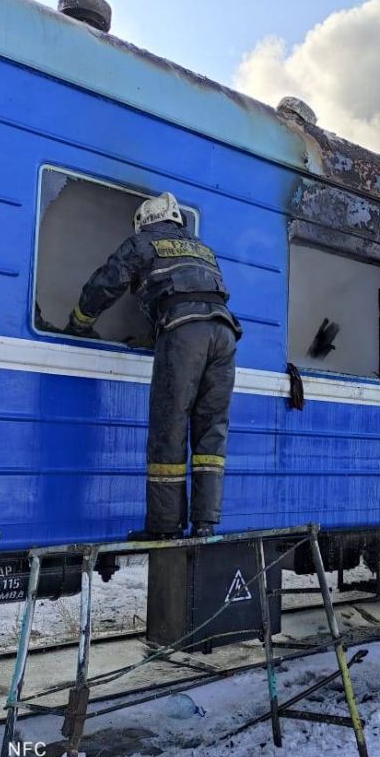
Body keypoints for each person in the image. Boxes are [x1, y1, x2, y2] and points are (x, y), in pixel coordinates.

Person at [64, 192, 242, 539]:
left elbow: (105, 284)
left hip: (185, 333)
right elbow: (194, 295)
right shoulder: (202, 249)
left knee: (170, 425)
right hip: (225, 335)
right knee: (211, 432)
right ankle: (205, 524)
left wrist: (79, 322)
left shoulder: (142, 244)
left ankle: (163, 527)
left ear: (143, 222)